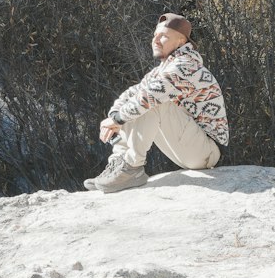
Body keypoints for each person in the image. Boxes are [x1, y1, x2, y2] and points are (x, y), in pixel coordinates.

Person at [84, 12, 228, 193]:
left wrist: (116, 120)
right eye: (155, 36)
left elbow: (149, 96)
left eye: (164, 36)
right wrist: (113, 117)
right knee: (135, 104)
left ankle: (132, 167)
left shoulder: (186, 65)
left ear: (182, 42)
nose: (156, 40)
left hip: (207, 151)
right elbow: (132, 93)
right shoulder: (162, 69)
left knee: (152, 102)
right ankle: (119, 163)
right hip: (189, 148)